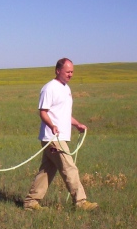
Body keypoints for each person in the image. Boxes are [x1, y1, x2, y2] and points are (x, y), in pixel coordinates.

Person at [23, 58, 98, 211]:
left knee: (47, 170)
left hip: (61, 136)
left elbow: (64, 115)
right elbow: (43, 112)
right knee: (69, 167)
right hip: (52, 138)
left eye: (72, 72)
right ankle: (81, 202)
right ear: (58, 71)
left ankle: (31, 202)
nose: (71, 74)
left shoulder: (66, 89)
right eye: (68, 71)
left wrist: (77, 124)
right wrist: (52, 126)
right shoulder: (49, 88)